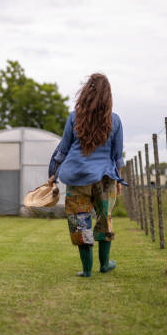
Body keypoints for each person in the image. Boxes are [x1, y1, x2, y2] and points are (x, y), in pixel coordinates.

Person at [49, 73, 125, 278]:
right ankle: (105, 264)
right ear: (108, 97)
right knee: (104, 220)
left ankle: (86, 269)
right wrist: (119, 179)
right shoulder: (115, 120)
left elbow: (62, 150)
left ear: (85, 93)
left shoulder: (74, 117)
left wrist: (52, 174)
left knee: (79, 221)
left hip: (77, 177)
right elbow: (117, 156)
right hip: (106, 179)